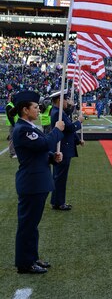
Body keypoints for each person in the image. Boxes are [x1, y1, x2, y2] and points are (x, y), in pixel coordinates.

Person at [11, 90, 64, 274]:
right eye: (35, 107)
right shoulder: (22, 129)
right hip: (32, 183)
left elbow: (39, 153)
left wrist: (52, 157)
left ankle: (31, 258)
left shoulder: (30, 127)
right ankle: (24, 264)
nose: (38, 109)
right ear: (25, 110)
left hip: (37, 181)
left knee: (32, 225)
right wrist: (57, 130)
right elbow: (43, 144)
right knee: (27, 225)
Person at [50, 91, 84, 211]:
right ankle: (59, 202)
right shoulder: (57, 113)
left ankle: (56, 201)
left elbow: (67, 116)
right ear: (59, 101)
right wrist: (79, 122)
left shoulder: (58, 112)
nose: (67, 102)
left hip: (63, 147)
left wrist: (71, 106)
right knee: (60, 177)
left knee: (58, 176)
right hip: (62, 149)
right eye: (65, 100)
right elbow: (69, 127)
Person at [5, 92, 18, 158]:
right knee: (12, 139)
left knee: (15, 138)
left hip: (16, 124)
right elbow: (10, 117)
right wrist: (14, 124)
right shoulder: (9, 106)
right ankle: (12, 153)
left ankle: (15, 152)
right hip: (12, 124)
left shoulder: (14, 105)